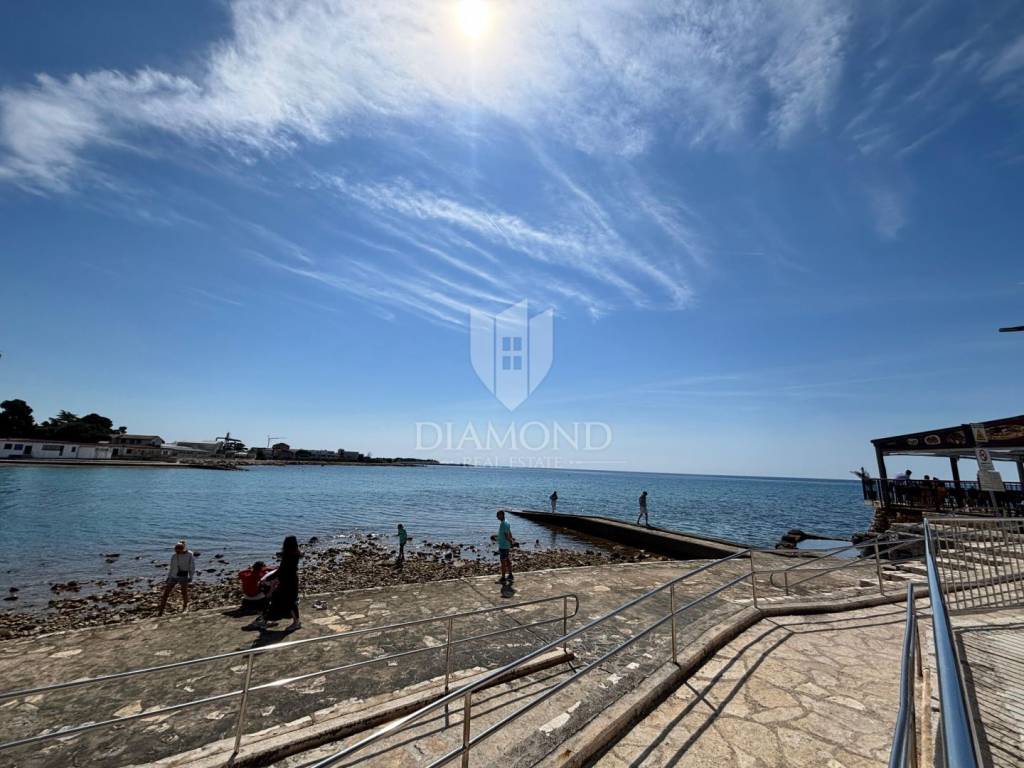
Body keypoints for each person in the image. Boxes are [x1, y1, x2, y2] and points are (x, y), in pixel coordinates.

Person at [251, 536, 303, 632]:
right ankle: (269, 619)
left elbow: (281, 570)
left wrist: (268, 578)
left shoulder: (287, 555)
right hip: (292, 580)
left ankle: (296, 623)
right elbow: (283, 569)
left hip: (287, 581)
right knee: (284, 599)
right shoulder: (296, 554)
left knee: (288, 601)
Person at [158, 540, 195, 616]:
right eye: (176, 550)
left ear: (183, 549)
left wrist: (191, 576)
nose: (177, 552)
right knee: (166, 593)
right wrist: (168, 577)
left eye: (178, 550)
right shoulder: (174, 556)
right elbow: (171, 567)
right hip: (173, 576)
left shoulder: (189, 554)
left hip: (183, 576)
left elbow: (192, 566)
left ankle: (185, 606)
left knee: (184, 592)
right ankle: (161, 610)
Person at [495, 510, 516, 585]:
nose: (497, 517)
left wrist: (511, 541)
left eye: (498, 515)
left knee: (503, 562)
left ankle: (503, 578)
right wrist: (511, 540)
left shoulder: (504, 524)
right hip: (506, 545)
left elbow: (506, 535)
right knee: (507, 559)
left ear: (502, 515)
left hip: (503, 546)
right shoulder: (507, 522)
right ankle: (510, 575)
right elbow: (509, 532)